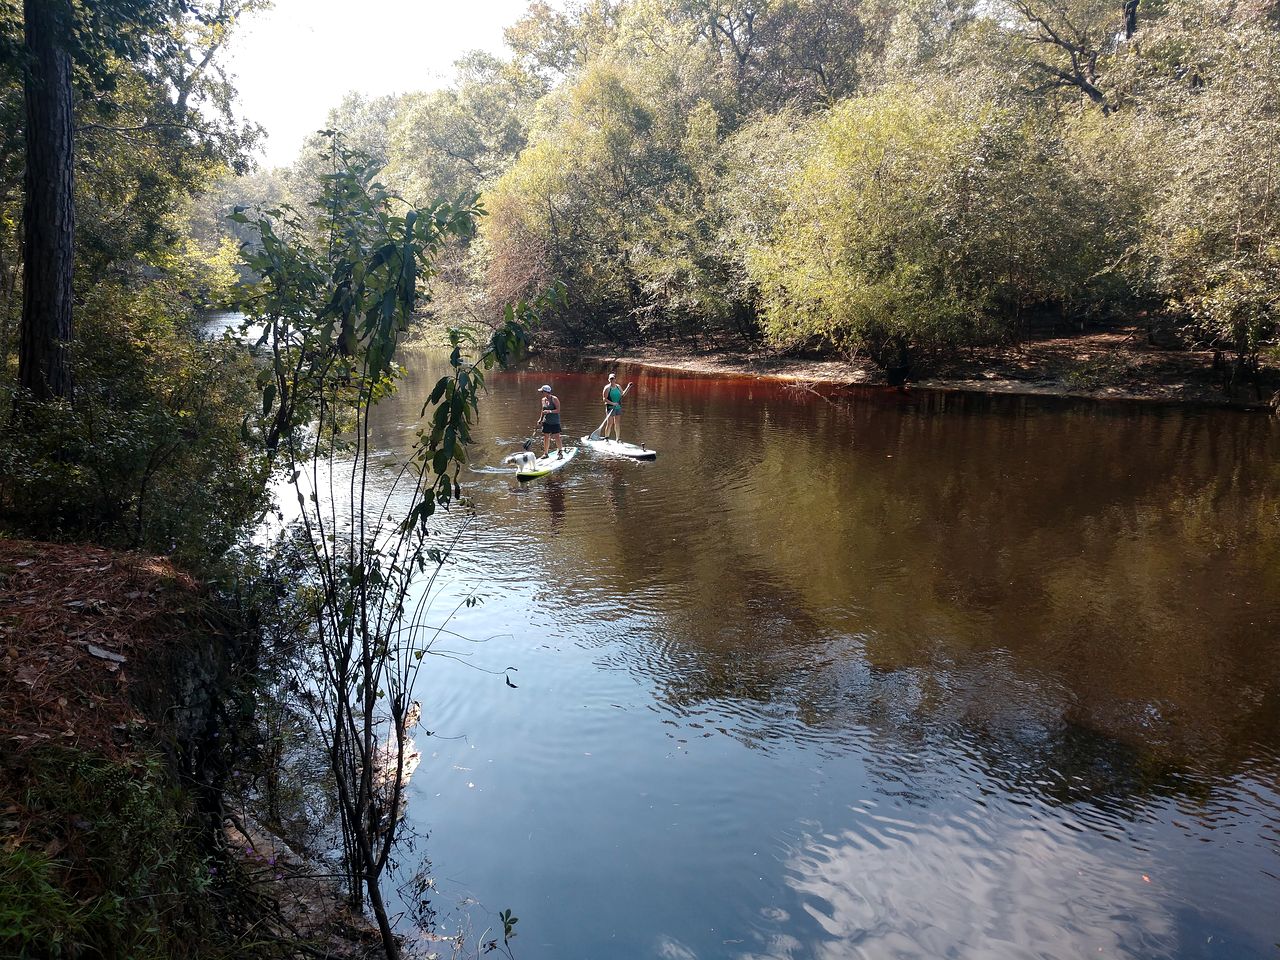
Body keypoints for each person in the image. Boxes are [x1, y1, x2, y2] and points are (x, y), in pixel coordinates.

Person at [600, 372, 633, 442]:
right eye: (611, 379)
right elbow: (604, 399)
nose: (612, 380)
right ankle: (606, 438)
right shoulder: (607, 388)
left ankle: (618, 438)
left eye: (613, 378)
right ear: (609, 380)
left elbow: (623, 394)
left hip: (618, 408)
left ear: (615, 379)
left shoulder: (618, 386)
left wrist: (628, 387)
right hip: (610, 408)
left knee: (617, 423)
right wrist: (612, 403)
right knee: (610, 423)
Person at [536, 384, 564, 459]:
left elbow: (558, 410)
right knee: (546, 436)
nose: (542, 393)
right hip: (546, 421)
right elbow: (543, 410)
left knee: (557, 436)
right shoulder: (543, 400)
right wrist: (540, 419)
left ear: (546, 392)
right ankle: (545, 453)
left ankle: (560, 453)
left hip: (555, 421)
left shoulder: (554, 399)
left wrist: (549, 411)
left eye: (542, 392)